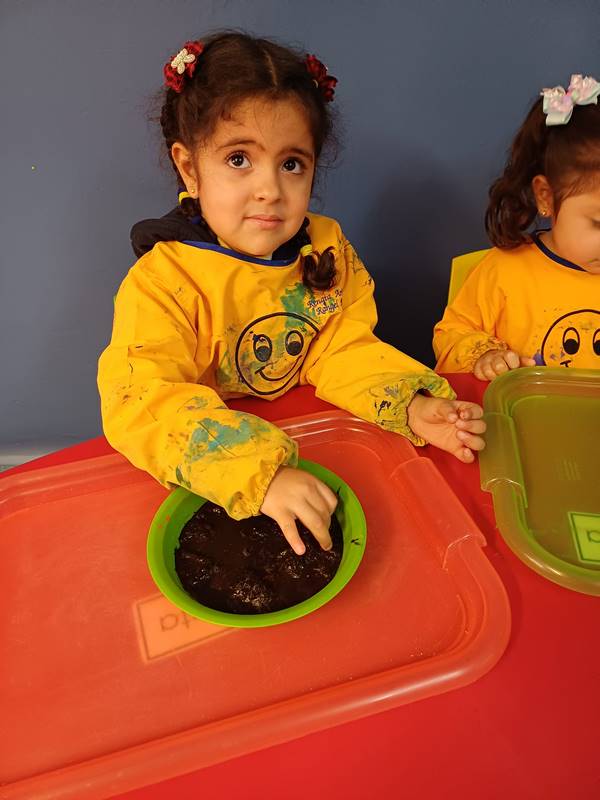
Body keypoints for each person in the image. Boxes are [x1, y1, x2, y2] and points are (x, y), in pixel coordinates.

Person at [98, 32, 485, 555]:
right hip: (212, 472)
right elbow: (141, 401)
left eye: (291, 164)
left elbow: (341, 349)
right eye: (239, 159)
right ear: (189, 167)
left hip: (322, 440)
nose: (270, 190)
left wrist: (409, 404)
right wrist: (259, 473)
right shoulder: (164, 280)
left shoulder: (326, 250)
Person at [434, 74, 600, 381]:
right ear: (546, 196)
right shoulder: (504, 272)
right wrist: (485, 356)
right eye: (598, 223)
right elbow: (451, 336)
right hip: (521, 412)